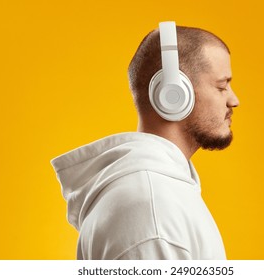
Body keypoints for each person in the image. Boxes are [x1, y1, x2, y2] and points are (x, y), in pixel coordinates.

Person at [51, 22, 239, 260]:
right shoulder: (153, 210)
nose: (234, 100)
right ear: (174, 95)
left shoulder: (160, 194)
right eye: (222, 86)